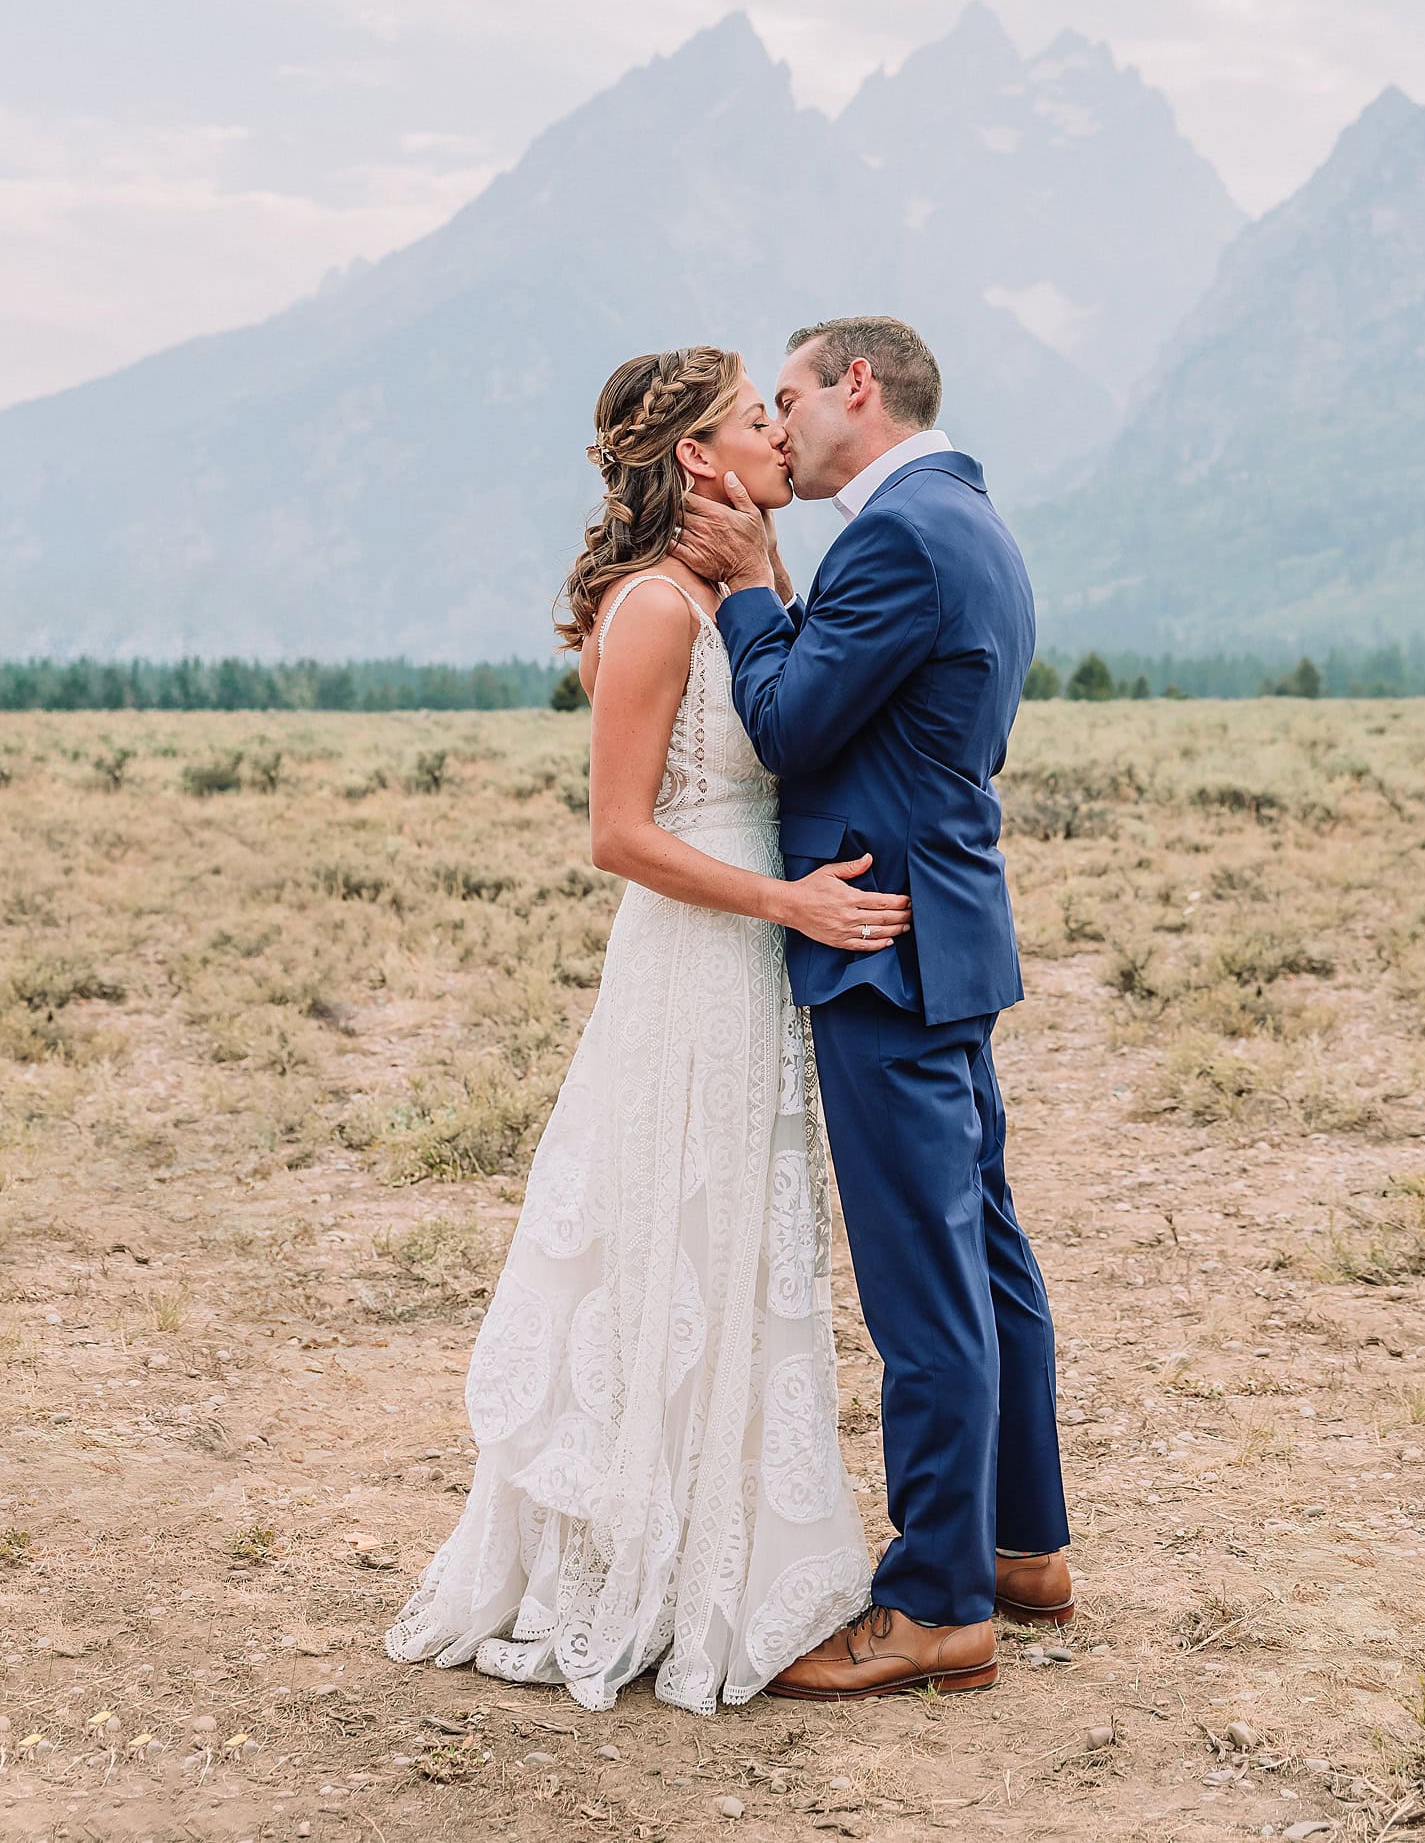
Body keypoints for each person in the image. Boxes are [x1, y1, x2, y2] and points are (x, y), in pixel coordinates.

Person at [385, 346, 892, 1714]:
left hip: (749, 960)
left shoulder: (740, 584)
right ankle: (659, 1573)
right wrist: (783, 896)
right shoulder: (657, 607)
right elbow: (618, 832)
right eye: (750, 421)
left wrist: (763, 580)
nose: (780, 436)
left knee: (739, 1244)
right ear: (697, 461)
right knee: (674, 1241)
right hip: (692, 957)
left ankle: (742, 1565)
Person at [677, 315, 1072, 1703]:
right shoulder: (975, 521)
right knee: (988, 1251)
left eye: (788, 396)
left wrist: (744, 588)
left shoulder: (896, 536)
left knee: (924, 1280)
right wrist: (785, 581)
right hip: (948, 930)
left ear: (860, 385)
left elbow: (786, 723)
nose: (778, 426)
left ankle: (937, 1602)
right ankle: (1022, 1543)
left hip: (879, 941)